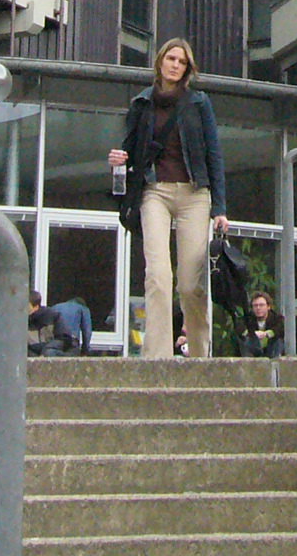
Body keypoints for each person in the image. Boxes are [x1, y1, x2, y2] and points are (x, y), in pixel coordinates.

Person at [109, 39, 229, 359]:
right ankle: (157, 358)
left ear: (188, 69)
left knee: (190, 285)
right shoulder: (141, 103)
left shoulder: (199, 103)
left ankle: (200, 356)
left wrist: (219, 208)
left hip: (194, 194)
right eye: (171, 58)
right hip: (155, 192)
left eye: (182, 61)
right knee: (158, 278)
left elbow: (214, 154)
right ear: (160, 61)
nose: (176, 65)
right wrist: (118, 160)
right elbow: (129, 150)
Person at [240, 291, 284, 358]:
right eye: (255, 305)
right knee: (246, 341)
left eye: (261, 305)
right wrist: (253, 334)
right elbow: (240, 329)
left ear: (268, 306)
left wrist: (266, 334)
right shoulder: (247, 319)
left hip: (271, 348)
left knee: (278, 341)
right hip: (254, 348)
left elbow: (280, 329)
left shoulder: (276, 318)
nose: (258, 308)